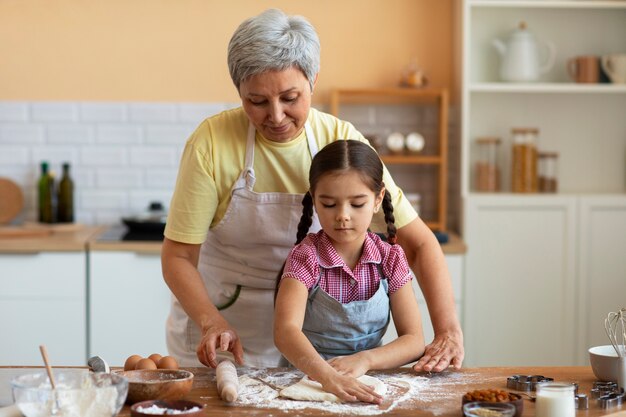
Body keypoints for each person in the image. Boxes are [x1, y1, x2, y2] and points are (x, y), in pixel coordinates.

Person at [161, 8, 463, 371]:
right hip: (225, 328)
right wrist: (211, 321)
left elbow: (419, 243)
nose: (275, 115)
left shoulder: (341, 142)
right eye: (256, 101)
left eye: (290, 98)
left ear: (313, 80)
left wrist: (447, 331)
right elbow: (178, 257)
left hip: (314, 343)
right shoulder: (210, 143)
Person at [274, 140, 425, 404]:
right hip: (306, 380)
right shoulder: (305, 257)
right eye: (329, 204)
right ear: (314, 200)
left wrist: (365, 360)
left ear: (378, 199)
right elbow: (285, 332)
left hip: (367, 381)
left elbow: (414, 340)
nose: (343, 216)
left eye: (357, 204)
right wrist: (327, 376)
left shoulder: (390, 258)